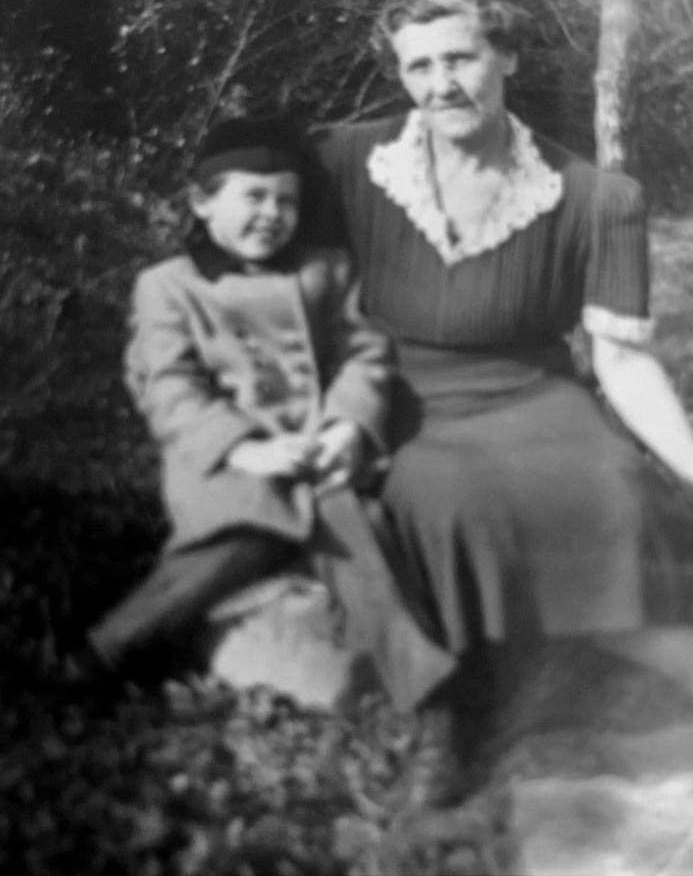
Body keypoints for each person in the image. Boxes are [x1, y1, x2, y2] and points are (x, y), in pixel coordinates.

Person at [310, 0, 693, 807]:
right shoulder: (346, 164)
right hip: (394, 390)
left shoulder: (591, 196)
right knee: (434, 495)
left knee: (614, 486)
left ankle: (685, 659)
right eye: (419, 67)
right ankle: (445, 714)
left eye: (460, 58)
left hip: (534, 393)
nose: (441, 85)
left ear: (507, 56)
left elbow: (623, 361)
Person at [71, 114, 454, 706]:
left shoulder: (325, 270)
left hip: (319, 452)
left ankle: (418, 678)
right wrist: (247, 449)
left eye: (286, 201)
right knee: (258, 531)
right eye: (254, 197)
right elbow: (169, 386)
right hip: (227, 466)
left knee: (358, 520)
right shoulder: (169, 285)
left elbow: (364, 354)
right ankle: (111, 648)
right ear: (202, 203)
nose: (272, 214)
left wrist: (347, 427)